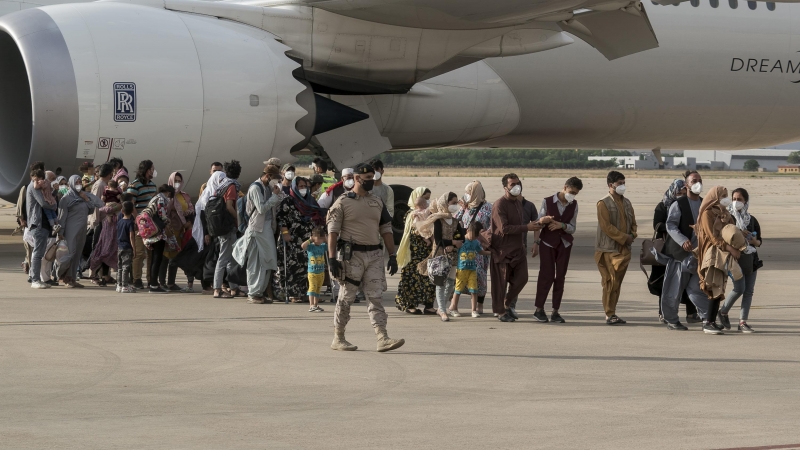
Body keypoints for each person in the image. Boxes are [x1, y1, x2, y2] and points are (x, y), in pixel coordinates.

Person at [327, 162, 403, 352]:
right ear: (357, 179)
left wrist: (392, 255)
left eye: (373, 177)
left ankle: (382, 337)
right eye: (368, 178)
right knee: (347, 297)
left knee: (375, 296)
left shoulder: (377, 202)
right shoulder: (343, 202)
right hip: (352, 256)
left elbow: (386, 229)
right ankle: (339, 336)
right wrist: (331, 258)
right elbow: (333, 232)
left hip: (375, 255)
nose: (371, 181)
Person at [660, 170, 711, 331]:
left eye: (700, 180)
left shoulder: (704, 204)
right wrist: (683, 241)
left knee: (698, 289)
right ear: (686, 184)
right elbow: (670, 225)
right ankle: (671, 320)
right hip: (680, 256)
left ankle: (708, 318)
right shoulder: (679, 204)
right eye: (694, 180)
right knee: (674, 290)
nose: (698, 183)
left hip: (698, 256)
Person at [532, 177, 582, 323]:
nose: (572, 195)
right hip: (548, 243)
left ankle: (555, 310)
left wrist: (562, 226)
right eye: (571, 192)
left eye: (576, 194)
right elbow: (538, 222)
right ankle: (539, 309)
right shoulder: (547, 202)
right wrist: (543, 221)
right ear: (565, 187)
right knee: (546, 275)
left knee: (560, 277)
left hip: (564, 244)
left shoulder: (574, 205)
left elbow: (572, 228)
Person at [490, 173, 539, 322]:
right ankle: (500, 312)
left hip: (518, 250)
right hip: (503, 250)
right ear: (505, 187)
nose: (516, 186)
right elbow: (504, 228)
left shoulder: (519, 203)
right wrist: (527, 227)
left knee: (522, 278)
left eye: (518, 183)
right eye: (512, 184)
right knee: (501, 283)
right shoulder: (499, 204)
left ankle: (507, 302)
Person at [233, 164, 284, 304]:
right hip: (257, 229)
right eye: (275, 178)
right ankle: (254, 293)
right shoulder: (255, 188)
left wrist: (277, 195)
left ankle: (259, 292)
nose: (276, 181)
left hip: (266, 228)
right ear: (268, 176)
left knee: (268, 261)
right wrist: (274, 196)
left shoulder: (268, 188)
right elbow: (261, 208)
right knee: (255, 263)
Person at [695, 186, 741, 335]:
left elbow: (732, 228)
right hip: (713, 254)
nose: (726, 198)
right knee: (714, 286)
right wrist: (731, 249)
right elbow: (713, 238)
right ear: (715, 197)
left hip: (723, 254)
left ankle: (712, 321)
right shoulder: (707, 214)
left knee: (720, 287)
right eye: (723, 195)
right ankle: (708, 322)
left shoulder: (725, 213)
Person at [652, 180, 700, 324]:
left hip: (688, 248)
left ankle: (692, 314)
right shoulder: (663, 206)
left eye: (683, 193)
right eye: (678, 193)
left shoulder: (690, 205)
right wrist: (673, 227)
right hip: (669, 251)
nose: (681, 195)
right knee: (666, 284)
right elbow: (657, 225)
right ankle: (664, 313)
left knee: (691, 281)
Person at [595, 171, 638, 325]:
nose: (622, 186)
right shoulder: (603, 203)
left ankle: (613, 312)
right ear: (610, 185)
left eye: (623, 183)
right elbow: (606, 226)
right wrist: (623, 237)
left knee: (617, 284)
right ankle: (609, 313)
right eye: (619, 183)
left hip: (624, 249)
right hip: (608, 249)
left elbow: (633, 222)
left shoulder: (627, 202)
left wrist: (632, 235)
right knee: (609, 282)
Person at [718, 188, 762, 333]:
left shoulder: (752, 220)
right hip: (734, 260)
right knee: (739, 288)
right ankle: (723, 311)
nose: (736, 202)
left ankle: (743, 322)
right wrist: (738, 235)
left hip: (751, 259)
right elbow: (723, 237)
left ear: (746, 201)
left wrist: (753, 240)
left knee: (749, 291)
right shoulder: (727, 217)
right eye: (734, 198)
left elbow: (759, 242)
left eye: (740, 199)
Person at [276, 176, 326, 302]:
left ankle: (308, 293)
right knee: (293, 266)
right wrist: (285, 233)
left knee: (308, 267)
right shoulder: (288, 201)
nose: (303, 189)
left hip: (309, 239)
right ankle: (293, 294)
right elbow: (281, 219)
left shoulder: (311, 201)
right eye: (300, 187)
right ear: (294, 188)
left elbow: (318, 216)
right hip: (292, 239)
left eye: (305, 186)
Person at [417, 192, 464, 322]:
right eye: (453, 203)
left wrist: (453, 246)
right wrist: (452, 243)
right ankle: (443, 311)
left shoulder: (455, 221)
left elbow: (461, 237)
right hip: (439, 256)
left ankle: (441, 308)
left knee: (450, 283)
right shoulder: (437, 220)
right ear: (445, 204)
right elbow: (437, 240)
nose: (455, 205)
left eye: (456, 203)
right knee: (440, 283)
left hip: (452, 255)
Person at [394, 187, 437, 315]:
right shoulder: (411, 214)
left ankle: (429, 305)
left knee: (429, 278)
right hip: (413, 252)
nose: (427, 202)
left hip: (427, 252)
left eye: (428, 199)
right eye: (425, 198)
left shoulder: (427, 212)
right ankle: (410, 305)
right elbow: (413, 232)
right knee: (411, 279)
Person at [57, 175, 103, 287]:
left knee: (77, 254)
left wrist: (86, 199)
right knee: (70, 254)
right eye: (76, 182)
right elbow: (62, 217)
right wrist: (60, 232)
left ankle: (71, 278)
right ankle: (61, 275)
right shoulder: (66, 199)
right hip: (70, 230)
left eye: (79, 182)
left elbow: (91, 209)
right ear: (71, 183)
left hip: (81, 229)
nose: (78, 184)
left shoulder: (83, 196)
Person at [455, 181, 493, 314]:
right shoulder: (466, 207)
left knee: (480, 276)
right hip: (466, 247)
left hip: (479, 247)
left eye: (469, 192)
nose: (466, 195)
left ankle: (479, 304)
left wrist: (485, 237)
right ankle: (457, 304)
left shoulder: (488, 207)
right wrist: (462, 208)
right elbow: (455, 219)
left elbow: (493, 226)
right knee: (464, 275)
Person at [212, 161, 243, 298]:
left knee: (230, 258)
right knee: (223, 258)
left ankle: (234, 288)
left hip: (223, 225)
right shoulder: (231, 186)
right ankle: (217, 289)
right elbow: (229, 206)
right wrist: (239, 219)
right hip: (228, 226)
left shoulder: (222, 185)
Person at [126, 160, 158, 289]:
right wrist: (136, 220)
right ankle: (136, 279)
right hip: (139, 224)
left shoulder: (153, 185)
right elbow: (130, 204)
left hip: (151, 225)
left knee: (151, 253)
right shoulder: (134, 185)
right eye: (152, 169)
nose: (153, 171)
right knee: (139, 253)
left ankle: (150, 279)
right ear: (146, 170)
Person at [27, 168, 58, 289]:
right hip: (38, 223)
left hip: (43, 224)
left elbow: (47, 198)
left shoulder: (40, 188)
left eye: (41, 178)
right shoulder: (33, 188)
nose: (40, 181)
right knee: (38, 253)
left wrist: (53, 193)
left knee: (40, 252)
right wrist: (54, 205)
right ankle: (35, 279)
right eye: (38, 178)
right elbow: (44, 203)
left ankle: (37, 278)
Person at [451, 221, 490, 318]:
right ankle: (454, 308)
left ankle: (474, 310)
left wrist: (490, 253)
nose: (473, 238)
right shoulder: (461, 241)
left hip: (472, 269)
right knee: (458, 290)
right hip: (461, 269)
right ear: (467, 230)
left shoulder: (476, 242)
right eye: (472, 235)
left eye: (476, 236)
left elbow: (480, 251)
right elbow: (454, 251)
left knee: (474, 289)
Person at [164, 172, 195, 292]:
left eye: (179, 180)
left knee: (177, 257)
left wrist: (188, 215)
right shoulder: (168, 196)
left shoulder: (184, 195)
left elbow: (190, 207)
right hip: (171, 229)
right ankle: (163, 282)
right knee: (167, 257)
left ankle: (172, 282)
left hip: (184, 230)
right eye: (175, 180)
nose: (177, 183)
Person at [143, 184, 176, 293]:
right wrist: (168, 222)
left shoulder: (155, 197)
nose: (170, 198)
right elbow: (162, 215)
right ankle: (153, 285)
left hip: (152, 231)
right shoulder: (161, 199)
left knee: (154, 259)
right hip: (158, 233)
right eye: (170, 195)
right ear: (168, 192)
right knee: (157, 259)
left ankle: (153, 283)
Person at [88, 164, 114, 284]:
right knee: (97, 249)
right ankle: (93, 275)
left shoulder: (105, 185)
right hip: (99, 221)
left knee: (104, 248)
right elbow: (95, 205)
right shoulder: (99, 185)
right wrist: (95, 221)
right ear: (109, 174)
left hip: (105, 222)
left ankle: (104, 274)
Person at [302, 227, 328, 312]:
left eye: (321, 238)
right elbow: (303, 246)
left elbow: (331, 245)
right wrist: (310, 240)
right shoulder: (310, 247)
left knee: (318, 288)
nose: (320, 240)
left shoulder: (323, 246)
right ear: (313, 237)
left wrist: (325, 239)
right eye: (318, 238)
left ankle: (316, 305)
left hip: (321, 272)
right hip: (312, 272)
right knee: (312, 288)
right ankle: (311, 305)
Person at [117, 201, 137, 293]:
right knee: (126, 266)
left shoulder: (120, 221)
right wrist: (134, 248)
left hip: (119, 246)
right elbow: (131, 236)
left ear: (122, 211)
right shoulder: (130, 223)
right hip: (127, 247)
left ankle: (119, 284)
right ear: (132, 210)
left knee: (120, 266)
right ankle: (125, 285)